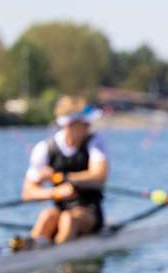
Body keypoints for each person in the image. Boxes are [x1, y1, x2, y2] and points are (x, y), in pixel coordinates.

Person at [20, 95, 108, 247]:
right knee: (46, 216)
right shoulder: (45, 148)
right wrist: (55, 193)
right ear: (70, 124)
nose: (89, 127)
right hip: (60, 209)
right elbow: (27, 193)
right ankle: (33, 255)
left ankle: (60, 263)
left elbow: (99, 176)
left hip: (89, 210)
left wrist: (63, 177)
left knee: (68, 219)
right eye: (85, 123)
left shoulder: (94, 142)